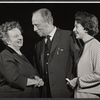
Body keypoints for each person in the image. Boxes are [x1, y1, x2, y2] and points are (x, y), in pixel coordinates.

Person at [32, 8, 80, 98]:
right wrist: (36, 77)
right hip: (45, 94)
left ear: (48, 22)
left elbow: (79, 61)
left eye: (37, 25)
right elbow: (36, 66)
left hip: (65, 92)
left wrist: (75, 80)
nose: (34, 29)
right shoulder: (38, 43)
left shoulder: (68, 36)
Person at [0, 21, 44, 98]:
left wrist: (36, 77)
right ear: (7, 41)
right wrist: (35, 82)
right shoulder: (5, 55)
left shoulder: (20, 54)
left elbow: (28, 72)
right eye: (16, 36)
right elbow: (14, 78)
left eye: (20, 34)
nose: (20, 37)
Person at [67, 11, 100, 98]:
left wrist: (77, 81)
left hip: (90, 95)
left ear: (86, 28)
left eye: (76, 26)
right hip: (81, 94)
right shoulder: (85, 46)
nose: (74, 30)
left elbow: (99, 74)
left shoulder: (96, 46)